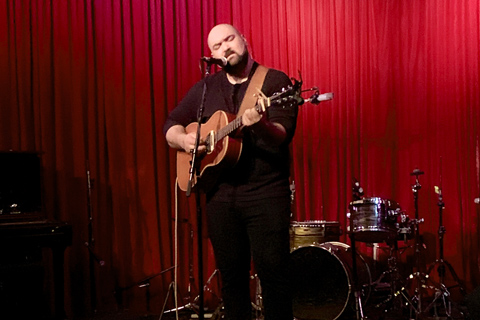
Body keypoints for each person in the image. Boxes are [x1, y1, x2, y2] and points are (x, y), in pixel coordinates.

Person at [163, 23, 298, 320]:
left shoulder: (274, 82)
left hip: (265, 194)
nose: (225, 48)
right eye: (216, 46)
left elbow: (281, 135)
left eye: (229, 39)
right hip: (220, 197)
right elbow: (170, 125)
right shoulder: (205, 89)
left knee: (274, 278)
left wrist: (259, 123)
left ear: (244, 40)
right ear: (212, 55)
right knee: (232, 282)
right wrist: (185, 139)